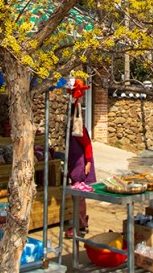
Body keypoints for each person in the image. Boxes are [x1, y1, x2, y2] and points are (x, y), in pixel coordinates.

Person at [66, 79, 94, 237]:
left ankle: (80, 225)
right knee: (77, 196)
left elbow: (88, 145)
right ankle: (82, 222)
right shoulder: (71, 127)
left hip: (80, 165)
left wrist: (88, 162)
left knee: (79, 197)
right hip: (74, 164)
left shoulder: (79, 128)